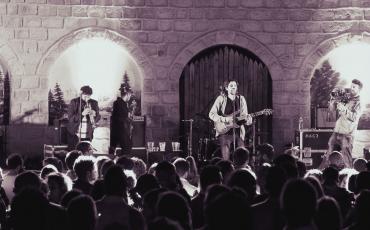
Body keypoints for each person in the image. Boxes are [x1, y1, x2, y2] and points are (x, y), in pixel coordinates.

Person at [321, 79, 363, 169]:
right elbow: (331, 111)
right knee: (328, 155)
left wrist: (343, 109)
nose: (351, 88)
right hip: (337, 132)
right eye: (351, 86)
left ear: (359, 89)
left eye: (354, 87)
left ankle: (350, 177)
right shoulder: (347, 99)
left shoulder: (359, 103)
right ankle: (323, 173)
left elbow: (354, 118)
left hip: (347, 135)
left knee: (346, 159)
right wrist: (332, 101)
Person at [209, 80, 252, 160]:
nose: (233, 87)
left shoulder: (241, 99)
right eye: (231, 86)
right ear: (226, 88)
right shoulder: (221, 98)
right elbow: (211, 114)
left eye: (235, 86)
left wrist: (248, 120)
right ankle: (227, 167)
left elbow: (244, 116)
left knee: (242, 153)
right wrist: (225, 119)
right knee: (225, 149)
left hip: (238, 132)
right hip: (224, 131)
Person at [67, 85, 100, 150]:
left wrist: (95, 114)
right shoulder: (74, 102)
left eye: (89, 96)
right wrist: (82, 114)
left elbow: (98, 117)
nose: (87, 98)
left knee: (86, 152)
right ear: (81, 95)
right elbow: (70, 119)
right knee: (74, 153)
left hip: (88, 134)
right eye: (85, 96)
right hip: (75, 134)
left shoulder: (94, 103)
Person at [111, 84, 134, 155]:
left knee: (127, 147)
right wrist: (128, 119)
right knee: (126, 149)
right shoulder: (118, 103)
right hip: (120, 131)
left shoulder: (123, 103)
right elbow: (117, 117)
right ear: (127, 94)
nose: (130, 97)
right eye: (130, 96)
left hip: (122, 131)